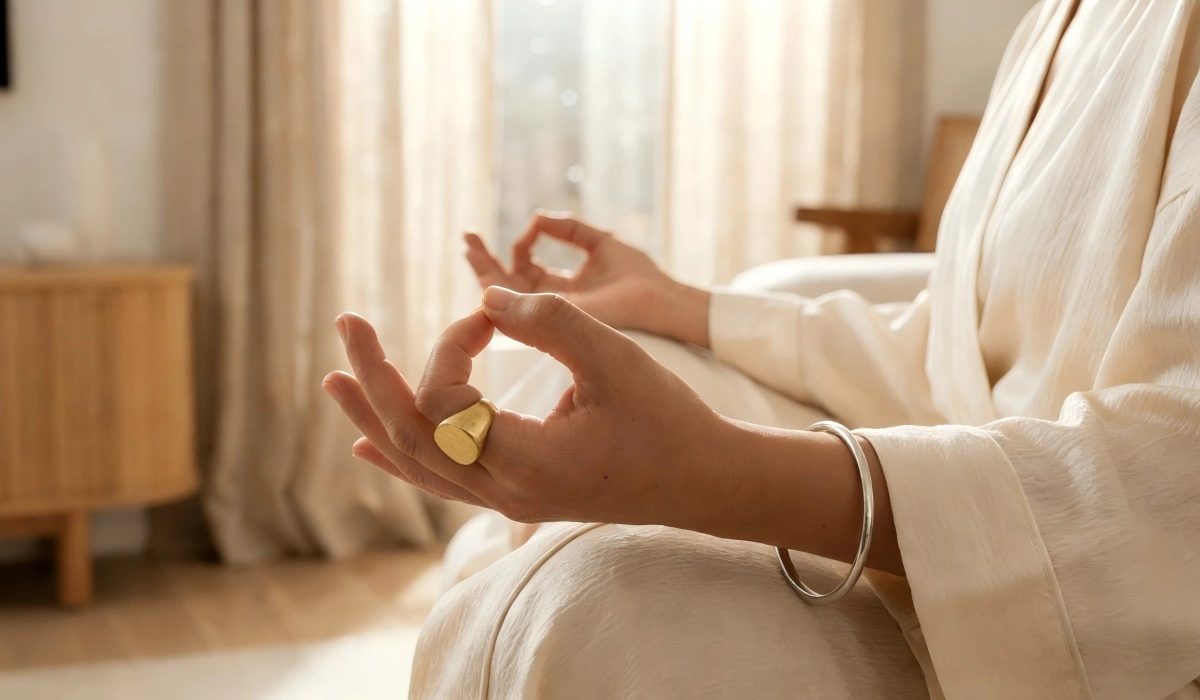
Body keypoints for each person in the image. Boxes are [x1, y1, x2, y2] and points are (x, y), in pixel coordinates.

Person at [321, 0, 1200, 696]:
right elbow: (949, 352)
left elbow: (1175, 482)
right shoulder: (1056, 19)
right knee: (542, 380)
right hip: (965, 470)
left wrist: (715, 477)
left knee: (590, 607)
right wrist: (670, 304)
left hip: (1093, 586)